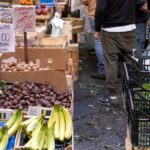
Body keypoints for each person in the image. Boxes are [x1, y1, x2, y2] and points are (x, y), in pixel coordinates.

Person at [95, 0, 136, 104]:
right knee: (130, 61)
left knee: (111, 62)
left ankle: (113, 96)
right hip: (129, 28)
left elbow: (100, 9)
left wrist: (97, 28)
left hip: (110, 29)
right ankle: (132, 93)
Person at [82, 0, 106, 79]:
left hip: (95, 14)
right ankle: (111, 69)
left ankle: (103, 70)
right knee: (109, 40)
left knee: (98, 41)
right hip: (111, 15)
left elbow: (85, 1)